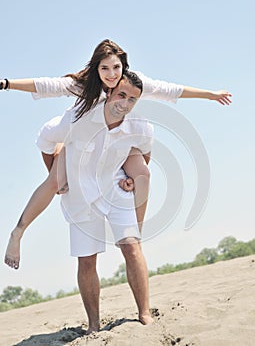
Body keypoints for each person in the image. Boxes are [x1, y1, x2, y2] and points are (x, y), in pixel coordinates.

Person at [2, 39, 232, 270]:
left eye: (116, 67)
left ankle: (137, 232)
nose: (111, 74)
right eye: (104, 68)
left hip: (119, 138)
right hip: (81, 137)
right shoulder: (85, 85)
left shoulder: (134, 83)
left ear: (124, 66)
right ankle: (18, 232)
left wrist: (210, 95)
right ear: (96, 68)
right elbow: (44, 85)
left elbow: (170, 90)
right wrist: (5, 83)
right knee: (55, 182)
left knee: (143, 172)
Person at [36, 71, 153, 332]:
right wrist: (56, 178)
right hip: (81, 193)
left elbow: (145, 156)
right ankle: (93, 324)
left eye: (133, 99)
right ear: (108, 92)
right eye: (121, 95)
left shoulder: (141, 127)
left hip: (115, 188)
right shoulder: (80, 117)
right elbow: (45, 138)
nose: (125, 103)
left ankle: (145, 313)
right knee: (86, 259)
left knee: (132, 247)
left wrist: (132, 178)